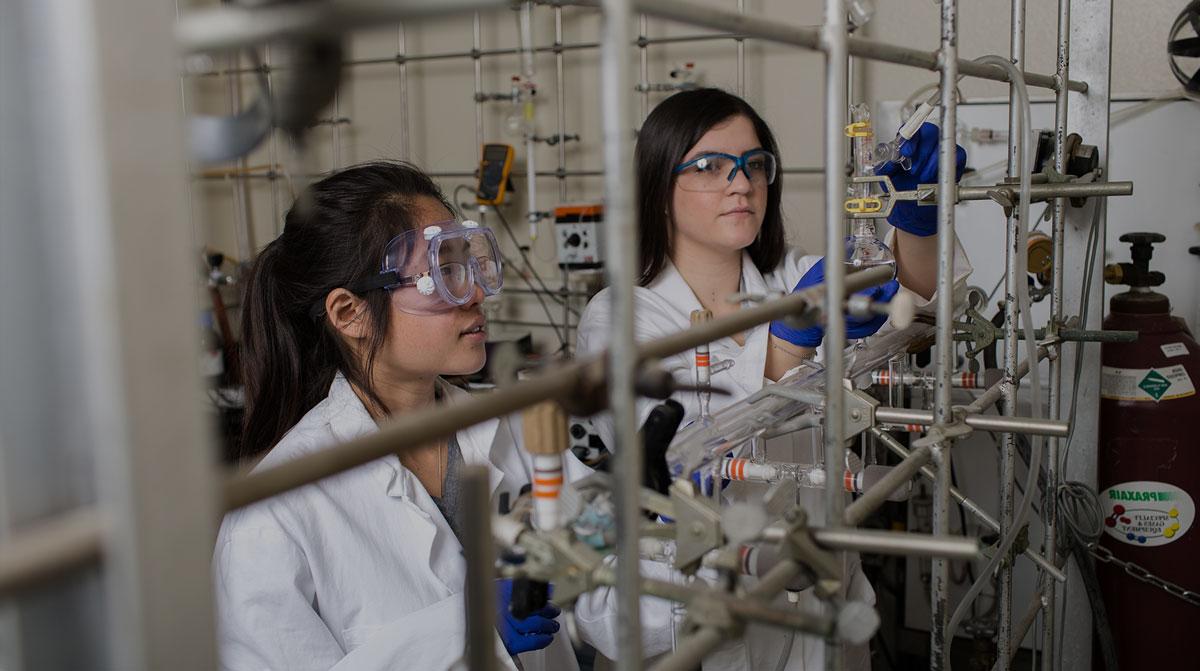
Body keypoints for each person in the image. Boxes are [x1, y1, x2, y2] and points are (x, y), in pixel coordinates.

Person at [575, 88, 972, 669]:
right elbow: (688, 448)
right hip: (718, 622)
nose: (740, 183)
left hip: (825, 606)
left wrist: (916, 216)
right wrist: (787, 340)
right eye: (710, 166)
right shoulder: (617, 318)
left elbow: (918, 313)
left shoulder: (790, 275)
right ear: (660, 185)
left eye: (753, 165)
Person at [213, 161, 589, 671]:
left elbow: (599, 599)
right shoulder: (273, 516)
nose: (476, 292)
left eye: (471, 265)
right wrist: (459, 632)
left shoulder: (512, 432)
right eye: (443, 274)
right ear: (350, 314)